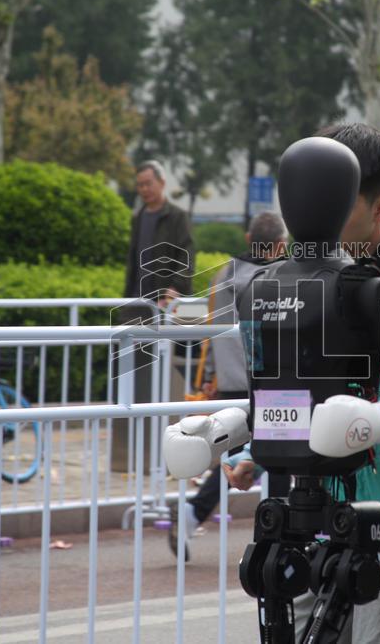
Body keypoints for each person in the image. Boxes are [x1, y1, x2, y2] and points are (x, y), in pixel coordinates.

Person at [226, 123, 380, 643]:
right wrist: (261, 441)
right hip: (313, 513)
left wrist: (368, 419)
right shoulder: (293, 281)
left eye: (336, 202)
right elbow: (289, 380)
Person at [168, 211, 289, 561]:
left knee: (242, 459)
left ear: (250, 239)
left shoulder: (225, 273)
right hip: (263, 382)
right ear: (280, 245)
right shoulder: (271, 276)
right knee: (274, 459)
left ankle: (192, 517)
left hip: (229, 383)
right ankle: (277, 540)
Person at [124, 160, 195, 308]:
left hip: (168, 304)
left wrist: (175, 289)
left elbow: (187, 256)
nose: (144, 189)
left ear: (162, 183)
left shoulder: (178, 217)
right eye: (140, 185)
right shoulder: (137, 218)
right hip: (137, 301)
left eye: (148, 184)